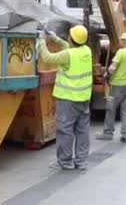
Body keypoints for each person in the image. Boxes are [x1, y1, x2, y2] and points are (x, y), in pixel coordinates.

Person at [37, 25, 92, 170]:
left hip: (68, 99)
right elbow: (69, 47)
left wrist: (42, 40)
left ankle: (65, 161)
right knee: (82, 131)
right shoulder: (86, 51)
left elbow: (48, 57)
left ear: (72, 39)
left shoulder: (68, 55)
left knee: (65, 130)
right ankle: (81, 161)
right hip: (84, 98)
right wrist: (55, 39)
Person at [96, 32, 126, 143]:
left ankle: (107, 133)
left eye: (121, 39)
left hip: (117, 85)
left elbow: (112, 68)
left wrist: (106, 74)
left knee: (110, 109)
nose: (120, 41)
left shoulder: (121, 52)